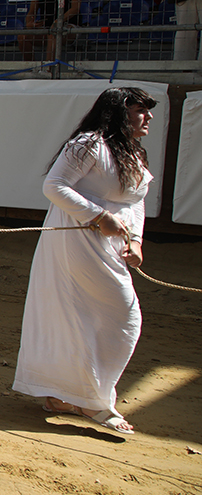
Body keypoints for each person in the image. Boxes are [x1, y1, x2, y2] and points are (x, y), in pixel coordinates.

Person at [13, 87, 157, 435]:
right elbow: (55, 186)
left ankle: (65, 395)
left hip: (112, 246)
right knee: (124, 314)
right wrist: (96, 216)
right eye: (141, 110)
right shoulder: (87, 144)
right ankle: (94, 400)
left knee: (95, 317)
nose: (148, 117)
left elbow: (134, 202)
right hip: (78, 239)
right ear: (120, 112)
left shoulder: (133, 153)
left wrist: (135, 240)